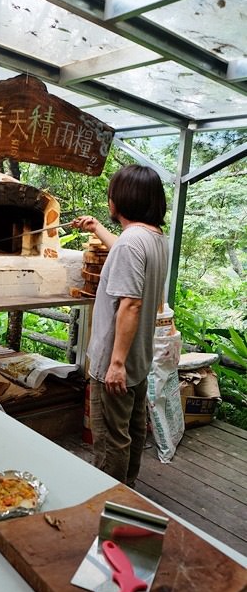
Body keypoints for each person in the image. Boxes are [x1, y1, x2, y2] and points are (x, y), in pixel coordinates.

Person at [72, 164, 169, 487]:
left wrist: (115, 364)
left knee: (111, 438)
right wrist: (98, 227)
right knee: (133, 429)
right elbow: (125, 254)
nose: (109, 199)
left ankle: (108, 503)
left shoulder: (131, 243)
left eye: (111, 193)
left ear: (121, 199)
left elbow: (131, 303)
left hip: (118, 362)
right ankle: (129, 493)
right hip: (139, 359)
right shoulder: (153, 238)